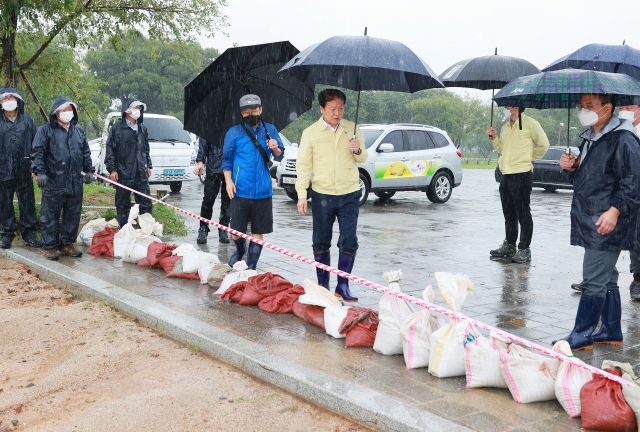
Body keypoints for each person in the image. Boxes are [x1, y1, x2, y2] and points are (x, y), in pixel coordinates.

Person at [554, 93, 640, 351]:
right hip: (590, 216)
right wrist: (572, 168)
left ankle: (582, 333)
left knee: (592, 278)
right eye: (581, 106)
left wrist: (615, 211)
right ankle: (611, 330)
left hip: (607, 220)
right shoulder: (590, 137)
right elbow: (589, 178)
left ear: (608, 108)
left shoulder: (623, 139)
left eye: (589, 106)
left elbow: (633, 182)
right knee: (608, 278)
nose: (583, 111)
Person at [295, 89, 368, 302]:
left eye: (341, 108)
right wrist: (301, 195)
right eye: (332, 108)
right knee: (320, 241)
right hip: (322, 194)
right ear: (322, 109)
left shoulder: (352, 129)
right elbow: (303, 165)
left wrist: (357, 150)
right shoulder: (311, 132)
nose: (337, 113)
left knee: (349, 240)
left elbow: (363, 157)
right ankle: (323, 286)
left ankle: (343, 286)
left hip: (350, 194)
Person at [222, 94, 284, 270]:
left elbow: (279, 154)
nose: (251, 115)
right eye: (247, 112)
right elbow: (226, 160)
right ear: (241, 114)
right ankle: (240, 249)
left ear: (261, 110)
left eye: (254, 111)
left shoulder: (270, 129)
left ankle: (251, 267)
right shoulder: (233, 132)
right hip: (239, 189)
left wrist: (275, 148)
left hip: (263, 191)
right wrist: (228, 182)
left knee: (258, 231)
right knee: (236, 230)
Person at [31, 97, 94, 260]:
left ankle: (67, 244)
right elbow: (38, 152)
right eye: (64, 110)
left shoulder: (78, 131)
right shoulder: (45, 130)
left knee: (73, 214)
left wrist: (88, 170)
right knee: (50, 214)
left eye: (70, 109)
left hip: (74, 181)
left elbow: (85, 151)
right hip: (53, 181)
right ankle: (50, 246)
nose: (67, 113)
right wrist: (40, 172)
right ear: (56, 112)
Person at [487, 106, 549, 263]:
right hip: (506, 174)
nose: (505, 108)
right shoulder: (505, 127)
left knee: (523, 213)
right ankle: (509, 244)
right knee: (509, 213)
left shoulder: (531, 124)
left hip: (522, 174)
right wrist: (494, 137)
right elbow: (503, 149)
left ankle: (524, 248)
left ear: (516, 107)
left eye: (508, 106)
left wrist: (530, 159)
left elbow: (544, 144)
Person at [0, 87, 42, 249]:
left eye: (11, 97)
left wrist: (36, 166)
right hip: (3, 168)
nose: (8, 101)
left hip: (24, 168)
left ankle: (29, 232)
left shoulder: (28, 120)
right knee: (4, 203)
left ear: (17, 100)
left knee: (27, 202)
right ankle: (7, 233)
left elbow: (36, 145)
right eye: (5, 98)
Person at [104, 98, 152, 227]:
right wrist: (112, 169)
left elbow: (145, 148)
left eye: (139, 108)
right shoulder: (117, 128)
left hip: (140, 171)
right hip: (123, 171)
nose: (138, 111)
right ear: (127, 110)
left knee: (146, 202)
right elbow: (110, 149)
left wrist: (148, 165)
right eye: (135, 108)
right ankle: (125, 228)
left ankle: (145, 230)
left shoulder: (142, 128)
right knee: (122, 202)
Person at [194, 137, 230, 244]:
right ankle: (203, 228)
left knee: (227, 201)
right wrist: (200, 161)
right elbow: (203, 143)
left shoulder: (234, 125)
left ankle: (223, 228)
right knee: (208, 200)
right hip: (213, 167)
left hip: (229, 168)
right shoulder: (211, 124)